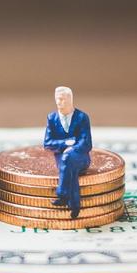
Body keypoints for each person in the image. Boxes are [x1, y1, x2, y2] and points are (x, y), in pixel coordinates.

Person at [43, 86, 93, 219]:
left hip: (81, 157)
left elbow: (87, 143)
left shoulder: (82, 117)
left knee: (68, 159)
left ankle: (63, 194)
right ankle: (75, 206)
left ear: (70, 100)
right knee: (70, 166)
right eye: (56, 99)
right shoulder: (51, 118)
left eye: (61, 99)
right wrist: (66, 143)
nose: (58, 103)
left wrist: (73, 148)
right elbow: (47, 143)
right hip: (63, 159)